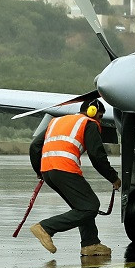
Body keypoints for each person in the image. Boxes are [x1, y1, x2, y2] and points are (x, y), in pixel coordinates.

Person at [29, 98, 121, 258]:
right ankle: (45, 228)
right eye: (100, 116)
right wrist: (113, 178)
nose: (100, 121)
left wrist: (39, 171)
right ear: (93, 112)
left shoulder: (56, 121)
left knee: (82, 205)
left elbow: (35, 146)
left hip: (49, 170)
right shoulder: (89, 123)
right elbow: (97, 155)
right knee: (90, 206)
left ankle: (90, 244)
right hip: (65, 168)